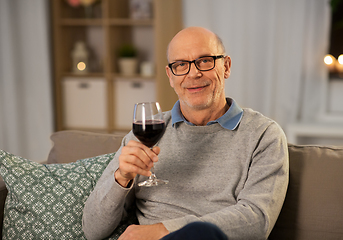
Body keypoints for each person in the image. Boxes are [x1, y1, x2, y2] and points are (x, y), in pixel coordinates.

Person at [82, 26, 289, 240]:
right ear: (170, 76)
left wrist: (164, 230)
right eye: (181, 65)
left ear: (226, 66)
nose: (193, 73)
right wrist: (121, 178)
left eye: (205, 61)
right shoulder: (145, 132)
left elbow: (257, 220)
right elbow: (92, 230)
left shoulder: (264, 135)